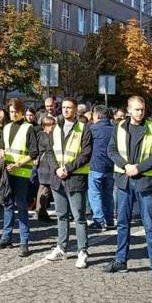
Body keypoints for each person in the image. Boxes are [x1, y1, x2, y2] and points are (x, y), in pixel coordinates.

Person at [104, 96, 152, 288]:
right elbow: (112, 150)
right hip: (124, 181)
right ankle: (120, 260)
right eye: (136, 109)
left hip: (144, 182)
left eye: (142, 109)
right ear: (128, 110)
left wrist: (138, 168)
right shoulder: (119, 127)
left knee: (150, 226)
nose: (140, 113)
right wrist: (125, 166)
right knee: (123, 223)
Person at [45, 97, 93, 268]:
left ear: (75, 110)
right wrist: (57, 168)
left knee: (79, 217)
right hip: (58, 178)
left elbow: (86, 154)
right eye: (64, 107)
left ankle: (82, 251)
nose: (66, 110)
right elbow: (49, 151)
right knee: (61, 215)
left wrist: (68, 168)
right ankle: (61, 247)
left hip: (75, 178)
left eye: (69, 108)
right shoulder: (56, 128)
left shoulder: (84, 129)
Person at [0, 98, 38, 257]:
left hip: (22, 173)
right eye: (10, 112)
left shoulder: (28, 128)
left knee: (22, 207)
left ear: (21, 112)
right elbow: (1, 147)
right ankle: (6, 237)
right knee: (7, 204)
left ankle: (24, 241)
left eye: (15, 112)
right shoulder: (6, 127)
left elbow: (33, 153)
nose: (12, 115)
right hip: (7, 172)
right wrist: (1, 153)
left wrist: (18, 164)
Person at [87, 105, 116, 231]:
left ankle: (99, 220)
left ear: (97, 115)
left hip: (96, 165)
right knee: (108, 194)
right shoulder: (115, 129)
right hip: (111, 166)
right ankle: (109, 220)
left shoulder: (93, 129)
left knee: (95, 194)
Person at [34, 115, 56, 223]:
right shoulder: (44, 136)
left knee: (44, 188)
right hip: (45, 164)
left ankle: (41, 211)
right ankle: (40, 211)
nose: (53, 127)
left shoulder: (42, 135)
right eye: (51, 125)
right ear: (45, 126)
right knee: (44, 188)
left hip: (44, 163)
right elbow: (49, 148)